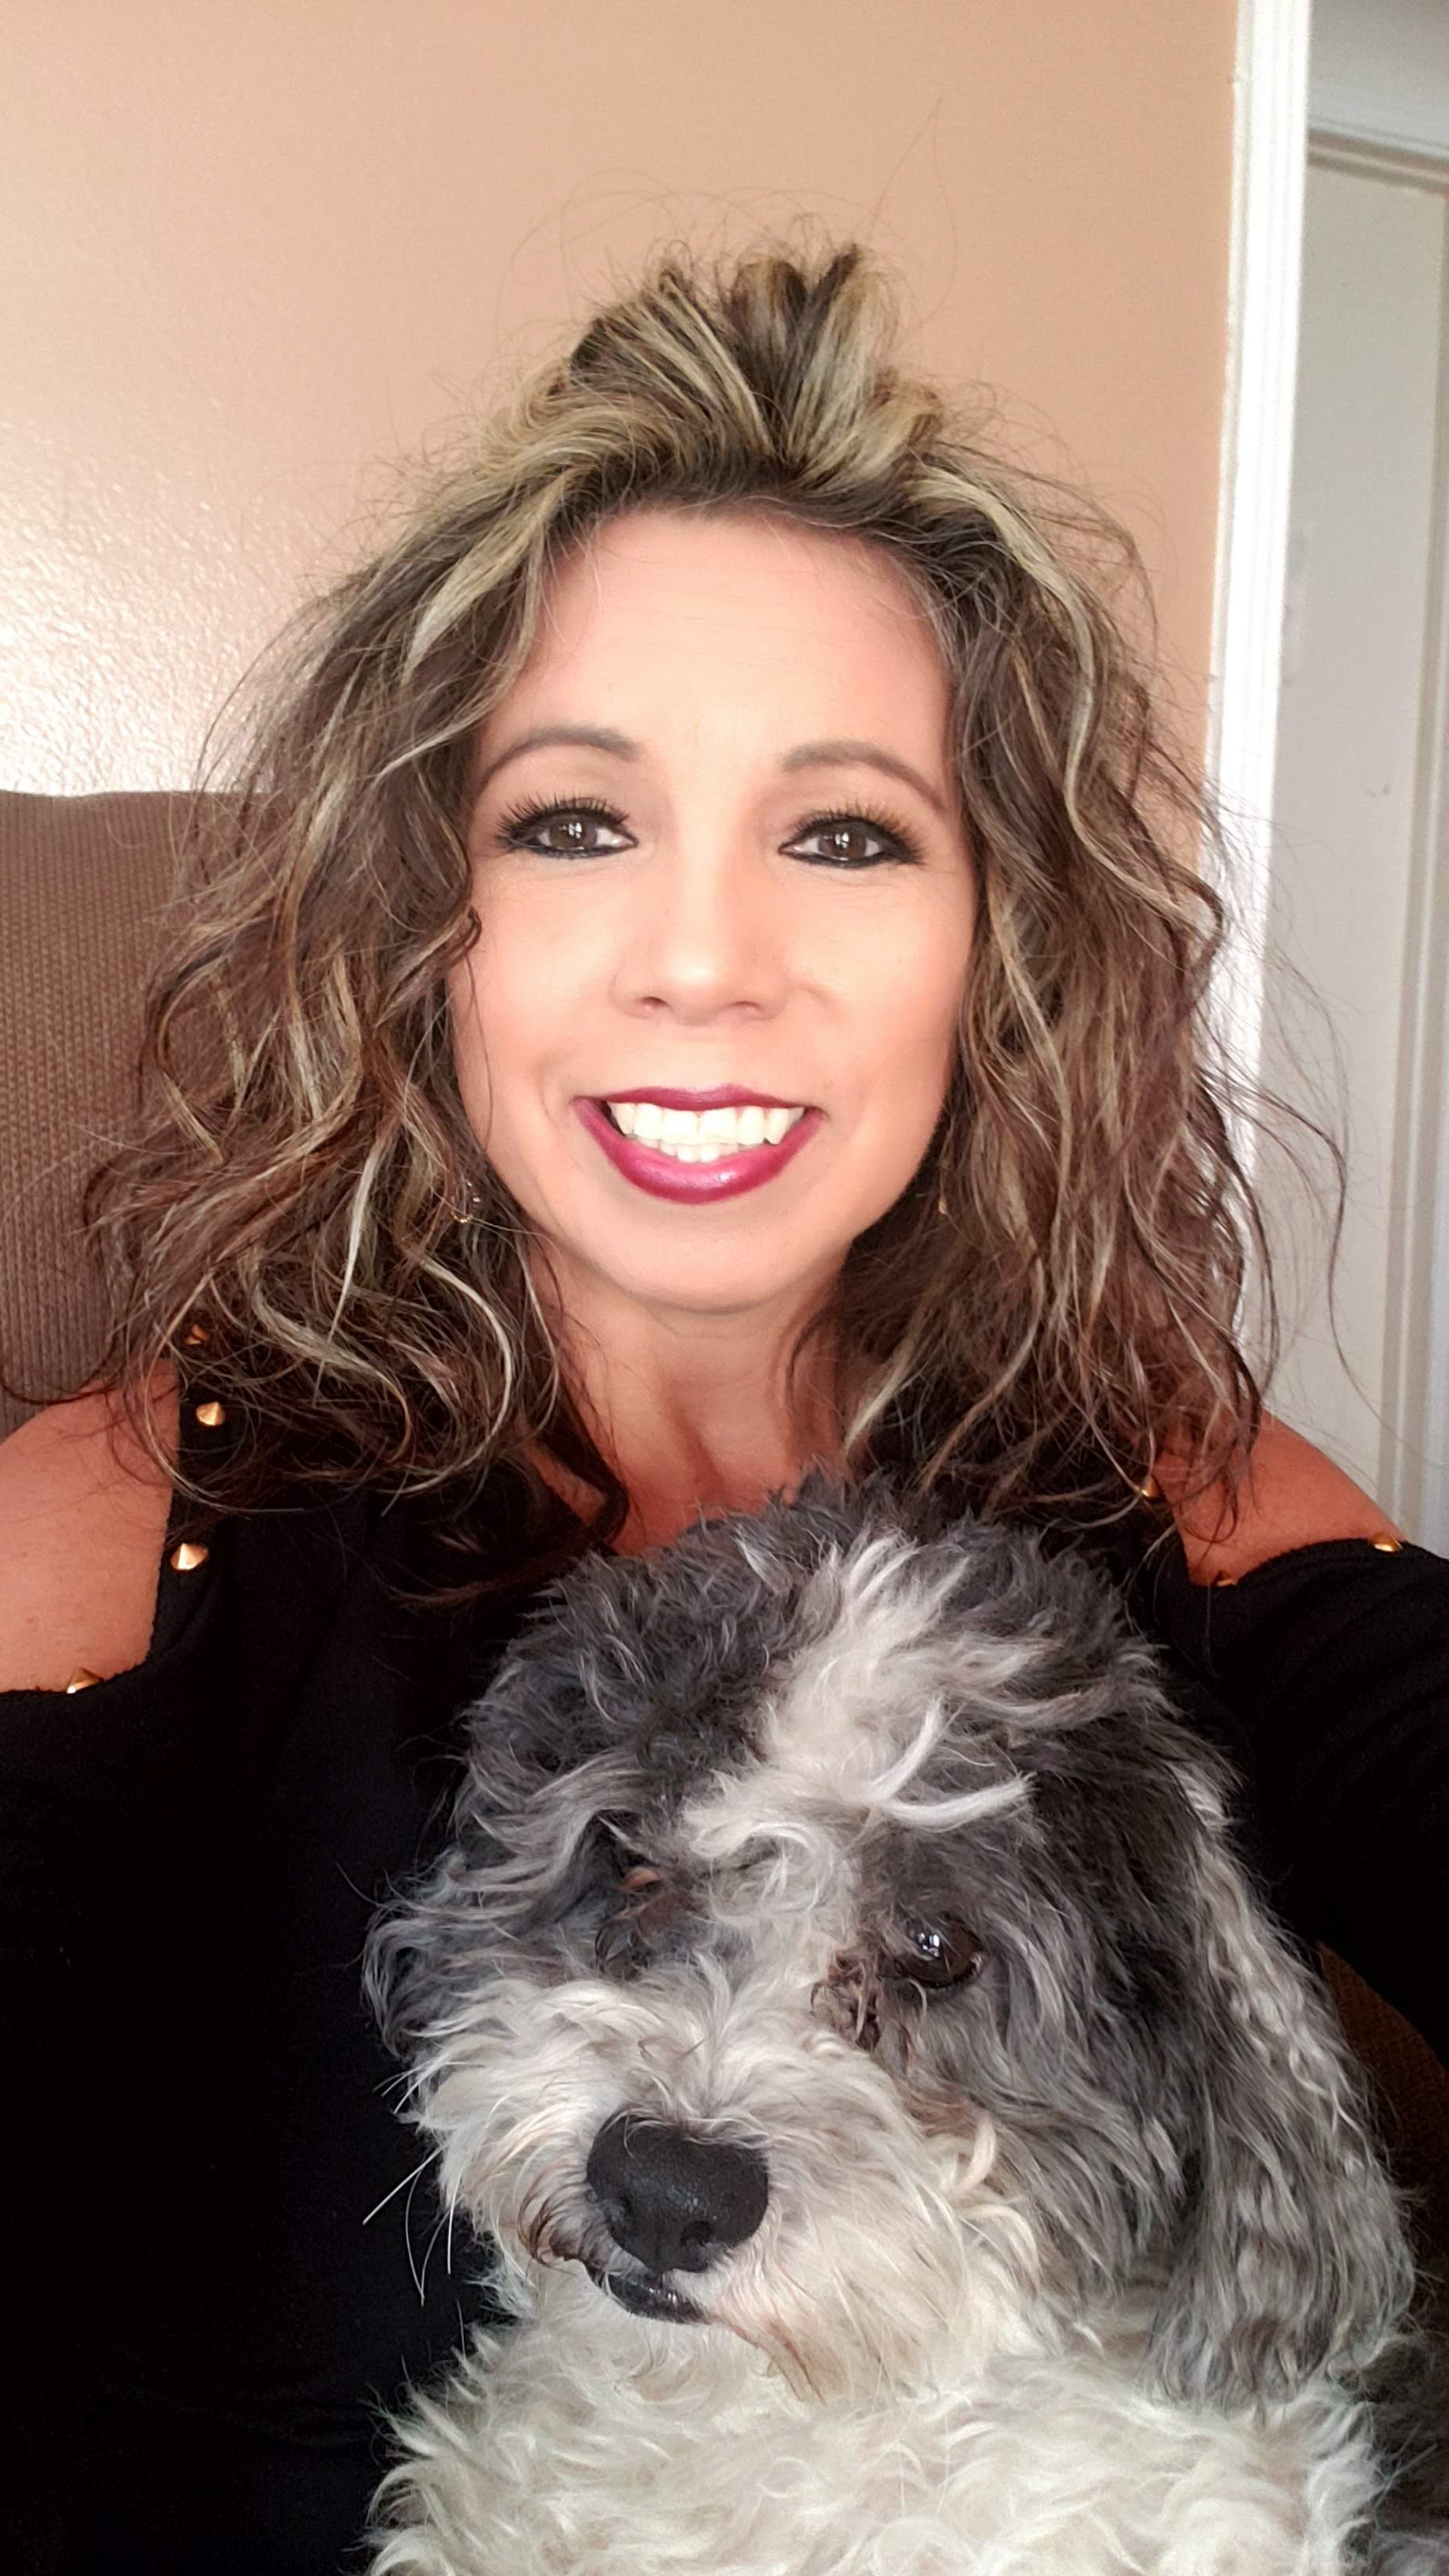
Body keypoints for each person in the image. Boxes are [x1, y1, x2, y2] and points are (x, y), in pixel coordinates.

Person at [2, 244, 1443, 2574]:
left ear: (992, 942)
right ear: (429, 921)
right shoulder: (139, 1515)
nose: (701, 960)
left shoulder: (1156, 1482)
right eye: (573, 821)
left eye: (845, 834)